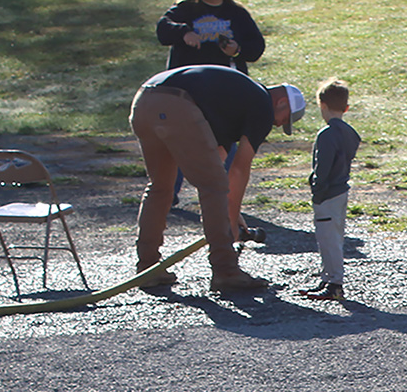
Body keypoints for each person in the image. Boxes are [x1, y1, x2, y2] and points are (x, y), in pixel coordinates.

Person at [129, 64, 306, 292]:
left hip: (144, 100)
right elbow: (238, 170)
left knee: (161, 187)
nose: (279, 124)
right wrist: (229, 224)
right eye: (285, 119)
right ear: (281, 102)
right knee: (212, 187)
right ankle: (226, 270)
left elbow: (217, 163)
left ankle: (148, 267)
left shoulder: (233, 99)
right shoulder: (262, 103)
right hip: (175, 104)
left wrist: (232, 212)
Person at [156, 0, 266, 207]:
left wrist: (236, 49)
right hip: (187, 90)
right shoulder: (185, 9)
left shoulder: (236, 14)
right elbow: (163, 29)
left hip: (223, 92)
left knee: (223, 140)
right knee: (181, 141)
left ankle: (225, 194)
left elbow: (256, 47)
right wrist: (183, 32)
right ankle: (168, 194)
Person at [299, 78, 361, 302]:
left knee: (327, 238)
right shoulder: (350, 134)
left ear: (321, 105)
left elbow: (321, 169)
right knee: (334, 235)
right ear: (346, 108)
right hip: (341, 189)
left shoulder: (326, 135)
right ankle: (328, 278)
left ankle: (334, 282)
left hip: (328, 193)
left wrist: (317, 190)